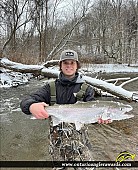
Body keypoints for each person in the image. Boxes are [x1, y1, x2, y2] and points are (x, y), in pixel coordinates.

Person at [20, 49, 110, 169]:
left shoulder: (87, 89)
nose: (69, 66)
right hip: (57, 145)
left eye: (72, 63)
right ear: (60, 65)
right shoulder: (49, 88)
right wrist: (31, 106)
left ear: (77, 65)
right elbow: (25, 101)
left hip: (81, 143)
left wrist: (99, 119)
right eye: (65, 63)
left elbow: (92, 116)